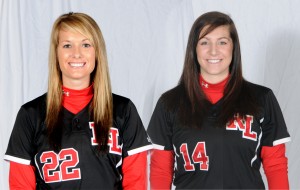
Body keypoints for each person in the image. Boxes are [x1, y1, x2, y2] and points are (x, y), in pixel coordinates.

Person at [4, 12, 152, 190]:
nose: (76, 54)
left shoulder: (123, 111)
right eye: (67, 45)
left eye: (86, 45)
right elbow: (20, 185)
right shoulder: (30, 115)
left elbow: (136, 183)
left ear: (97, 52)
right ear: (56, 53)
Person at [147, 11, 290, 189]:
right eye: (204, 42)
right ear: (194, 49)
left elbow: (275, 165)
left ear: (233, 48)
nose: (213, 50)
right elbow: (161, 170)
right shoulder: (169, 103)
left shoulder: (262, 99)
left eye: (222, 42)